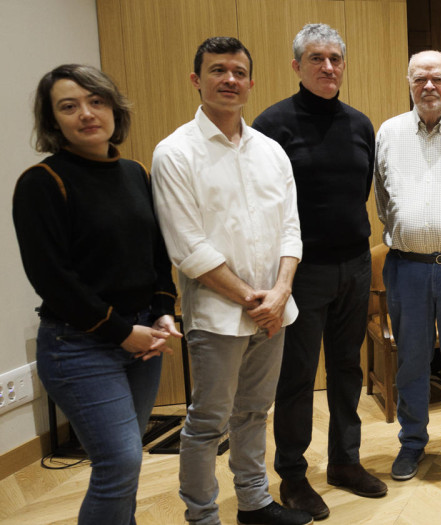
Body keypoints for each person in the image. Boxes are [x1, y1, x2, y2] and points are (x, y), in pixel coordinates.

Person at [13, 64, 181, 525]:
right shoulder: (41, 183)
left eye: (96, 101)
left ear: (113, 108)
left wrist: (165, 312)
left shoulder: (134, 172)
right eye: (69, 106)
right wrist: (122, 332)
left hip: (142, 338)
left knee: (126, 463)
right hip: (80, 346)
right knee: (120, 462)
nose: (86, 114)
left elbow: (156, 254)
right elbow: (53, 279)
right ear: (53, 121)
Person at [152, 37, 310, 525]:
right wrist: (251, 298)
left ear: (251, 81)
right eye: (218, 71)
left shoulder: (271, 151)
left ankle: (254, 502)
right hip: (219, 314)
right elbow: (188, 246)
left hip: (273, 311)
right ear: (197, 80)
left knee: (254, 412)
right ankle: (202, 516)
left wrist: (279, 292)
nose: (230, 80)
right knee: (206, 422)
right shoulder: (175, 153)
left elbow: (291, 229)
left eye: (239, 72)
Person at [252, 24, 385, 518]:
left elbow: (362, 190)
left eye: (335, 58)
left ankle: (345, 463)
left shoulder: (359, 124)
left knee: (348, 369)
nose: (328, 67)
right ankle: (292, 476)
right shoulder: (272, 125)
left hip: (353, 265)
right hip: (299, 272)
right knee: (298, 376)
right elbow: (263, 204)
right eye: (316, 58)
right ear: (296, 66)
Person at [375, 49, 441, 482]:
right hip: (407, 268)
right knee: (412, 362)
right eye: (420, 79)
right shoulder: (388, 133)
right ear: (408, 83)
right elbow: (384, 203)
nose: (429, 87)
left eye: (438, 79)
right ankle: (412, 443)